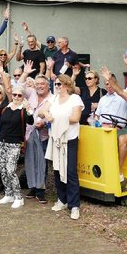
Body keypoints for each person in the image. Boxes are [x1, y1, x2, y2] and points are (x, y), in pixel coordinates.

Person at [39, 75, 84, 220]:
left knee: (70, 171)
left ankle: (74, 205)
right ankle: (62, 199)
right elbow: (42, 112)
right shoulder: (53, 99)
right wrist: (46, 113)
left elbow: (76, 118)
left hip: (69, 139)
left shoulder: (75, 99)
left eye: (59, 84)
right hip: (55, 138)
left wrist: (56, 118)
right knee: (57, 169)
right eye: (55, 84)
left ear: (66, 85)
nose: (57, 86)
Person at [24, 74, 53, 204]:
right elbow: (15, 88)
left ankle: (41, 191)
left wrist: (45, 123)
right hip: (30, 134)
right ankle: (32, 188)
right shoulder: (31, 94)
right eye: (38, 84)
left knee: (42, 163)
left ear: (48, 85)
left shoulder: (53, 99)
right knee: (30, 161)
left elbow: (54, 115)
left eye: (42, 84)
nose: (40, 86)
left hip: (44, 135)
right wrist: (25, 73)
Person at [92, 54, 127, 126]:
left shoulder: (123, 94)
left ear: (115, 83)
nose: (109, 86)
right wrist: (95, 123)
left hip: (116, 128)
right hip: (101, 128)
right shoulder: (103, 99)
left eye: (111, 83)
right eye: (107, 84)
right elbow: (97, 116)